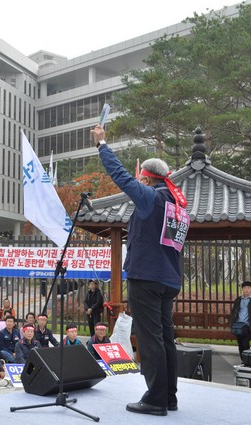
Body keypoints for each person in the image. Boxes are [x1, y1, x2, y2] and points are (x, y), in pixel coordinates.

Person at [93, 124, 189, 416]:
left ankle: (155, 399)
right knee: (165, 337)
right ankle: (169, 397)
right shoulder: (177, 205)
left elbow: (120, 176)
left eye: (141, 179)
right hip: (169, 279)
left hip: (146, 277)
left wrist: (102, 145)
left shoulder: (151, 197)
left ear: (146, 178)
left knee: (149, 339)